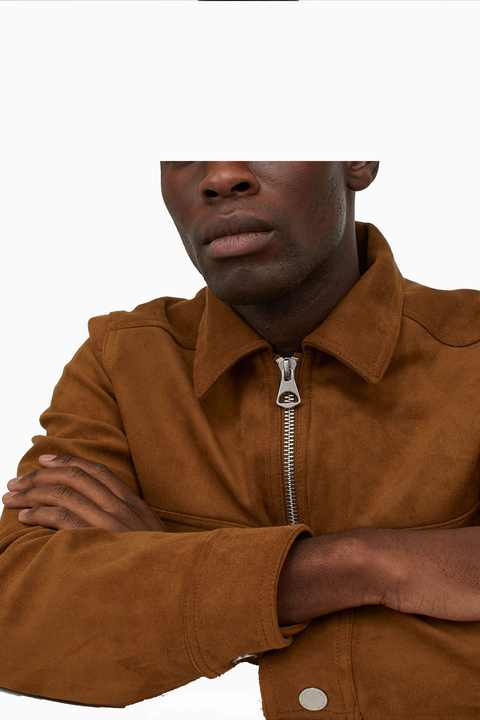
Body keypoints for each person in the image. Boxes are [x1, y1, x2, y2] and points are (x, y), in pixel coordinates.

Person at [2, 161, 480, 719]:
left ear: (356, 158)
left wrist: (162, 574)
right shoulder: (122, 362)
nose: (222, 175)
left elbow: (90, 623)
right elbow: (18, 623)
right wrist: (369, 564)